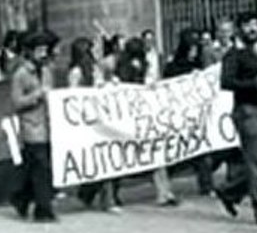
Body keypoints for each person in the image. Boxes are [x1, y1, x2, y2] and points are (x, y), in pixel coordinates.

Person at [215, 12, 257, 227]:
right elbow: (226, 82)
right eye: (247, 25)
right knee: (256, 162)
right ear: (239, 29)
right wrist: (254, 83)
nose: (252, 29)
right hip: (247, 110)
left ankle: (230, 191)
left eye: (255, 25)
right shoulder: (234, 55)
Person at [117, 36, 179, 207]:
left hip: (146, 116)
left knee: (157, 152)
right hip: (130, 117)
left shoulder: (143, 65)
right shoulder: (123, 68)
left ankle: (164, 192)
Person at [9, 31, 56, 222]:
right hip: (31, 126)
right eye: (39, 50)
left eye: (45, 50)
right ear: (29, 52)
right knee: (41, 166)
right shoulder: (21, 75)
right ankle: (43, 209)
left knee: (34, 167)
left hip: (47, 124)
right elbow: (16, 102)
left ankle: (20, 198)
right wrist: (37, 95)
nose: (43, 54)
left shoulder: (47, 71)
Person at [70, 37, 121, 213]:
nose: (95, 53)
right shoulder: (76, 72)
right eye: (92, 49)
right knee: (99, 159)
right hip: (87, 121)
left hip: (100, 119)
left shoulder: (96, 69)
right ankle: (102, 198)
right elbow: (72, 95)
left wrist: (111, 84)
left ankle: (100, 196)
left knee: (105, 158)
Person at [163, 29, 211, 196]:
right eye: (191, 48)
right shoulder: (173, 66)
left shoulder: (198, 66)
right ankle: (164, 186)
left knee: (202, 150)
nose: (194, 52)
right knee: (175, 152)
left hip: (197, 114)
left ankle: (206, 185)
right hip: (180, 114)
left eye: (196, 48)